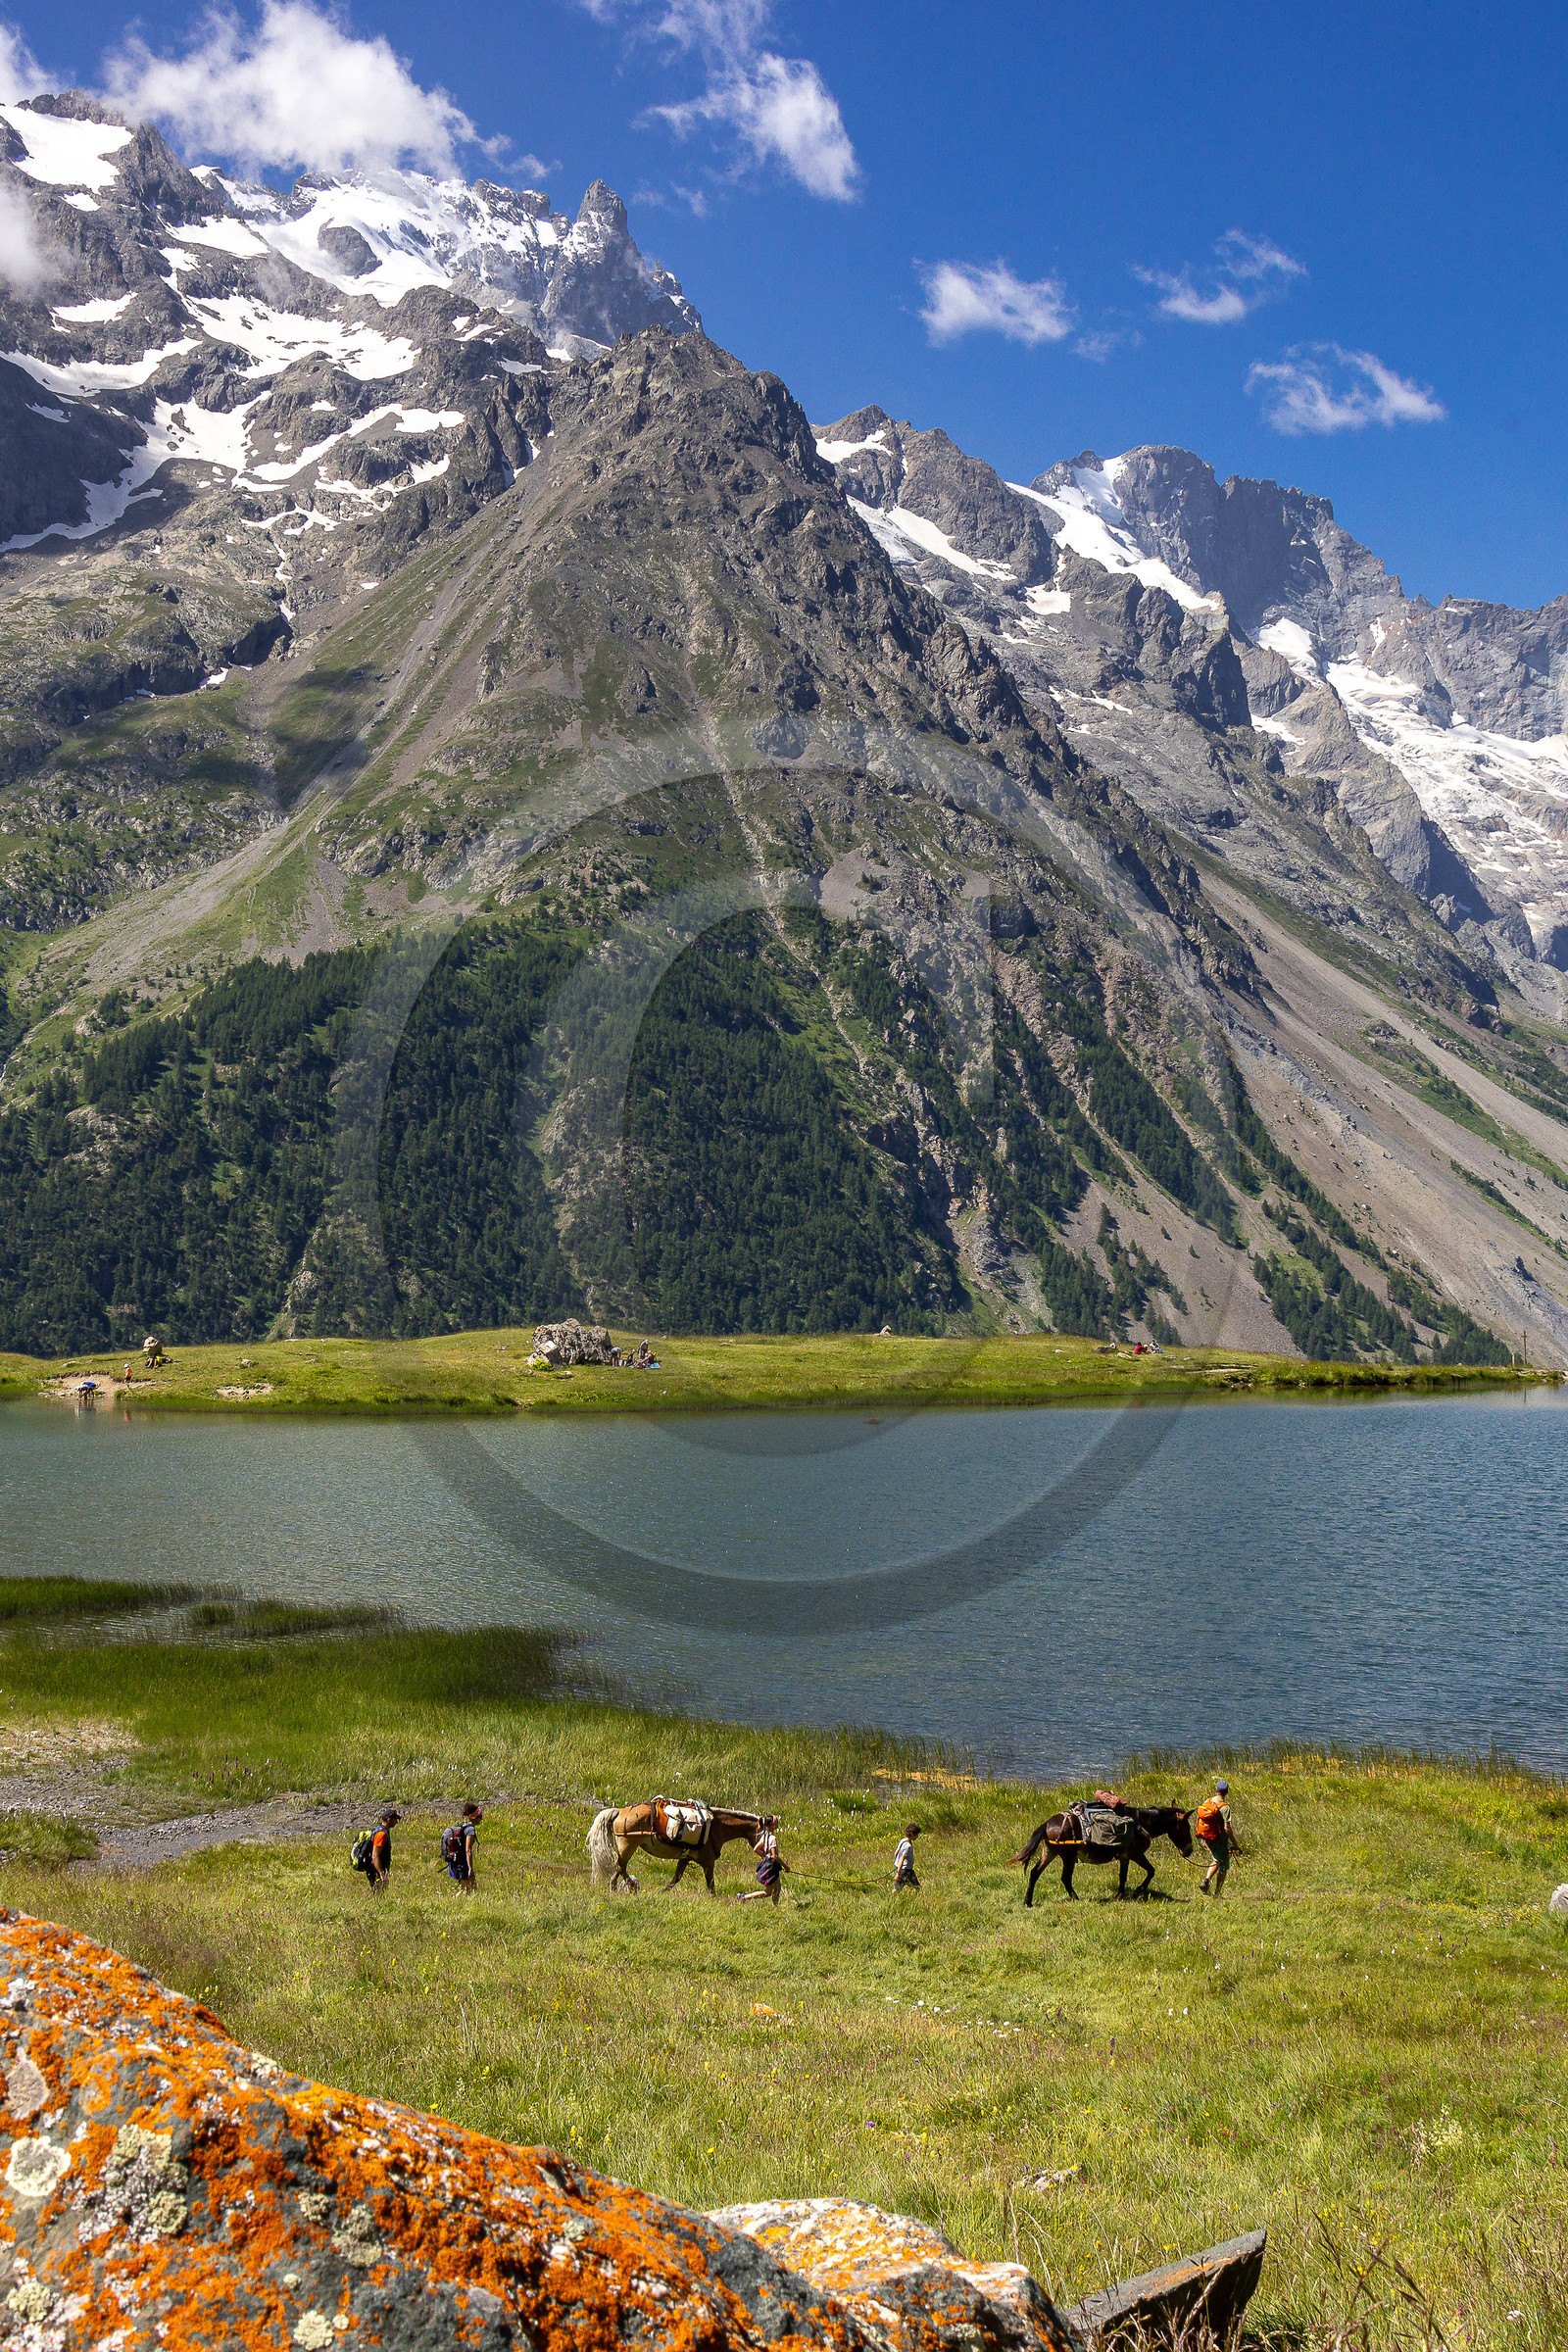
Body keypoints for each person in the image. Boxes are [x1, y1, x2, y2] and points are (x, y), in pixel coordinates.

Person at [1195, 1779, 1238, 1896]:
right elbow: (1227, 1828)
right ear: (1226, 1792)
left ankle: (1207, 1882)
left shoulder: (1207, 1801)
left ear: (1216, 1790)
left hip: (1208, 1838)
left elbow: (1202, 1820)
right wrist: (1234, 1843)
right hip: (1220, 1839)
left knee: (1217, 1859)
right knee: (1222, 1865)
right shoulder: (1225, 1807)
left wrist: (1203, 1837)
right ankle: (1215, 1891)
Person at [736, 1816, 787, 1905]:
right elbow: (775, 1856)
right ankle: (743, 1897)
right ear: (773, 1825)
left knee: (777, 1888)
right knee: (768, 1892)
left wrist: (764, 1856)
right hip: (772, 1867)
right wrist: (785, 1866)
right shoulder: (773, 1838)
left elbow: (756, 1849)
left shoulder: (765, 1836)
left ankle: (775, 1907)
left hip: (769, 1865)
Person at [444, 1801, 482, 1892]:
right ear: (474, 1817)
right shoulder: (470, 1830)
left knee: (468, 1888)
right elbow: (468, 1850)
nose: (481, 1819)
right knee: (469, 1889)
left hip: (456, 1862)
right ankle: (453, 1900)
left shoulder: (463, 1825)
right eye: (480, 1816)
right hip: (462, 1863)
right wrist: (470, 1868)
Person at [368, 1806, 400, 1892]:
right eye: (395, 1819)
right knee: (379, 1893)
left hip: (379, 1869)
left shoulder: (384, 1831)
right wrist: (381, 1873)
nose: (397, 1822)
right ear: (389, 1820)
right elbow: (375, 1855)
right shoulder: (381, 1834)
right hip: (376, 1870)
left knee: (382, 1893)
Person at [892, 1822, 921, 1889]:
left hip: (902, 1869)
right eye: (916, 1835)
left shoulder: (902, 1840)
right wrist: (898, 1874)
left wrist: (897, 1866)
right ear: (912, 1834)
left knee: (917, 1887)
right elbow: (902, 1859)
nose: (917, 1837)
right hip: (905, 1871)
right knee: (898, 1889)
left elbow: (896, 1853)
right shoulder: (908, 1846)